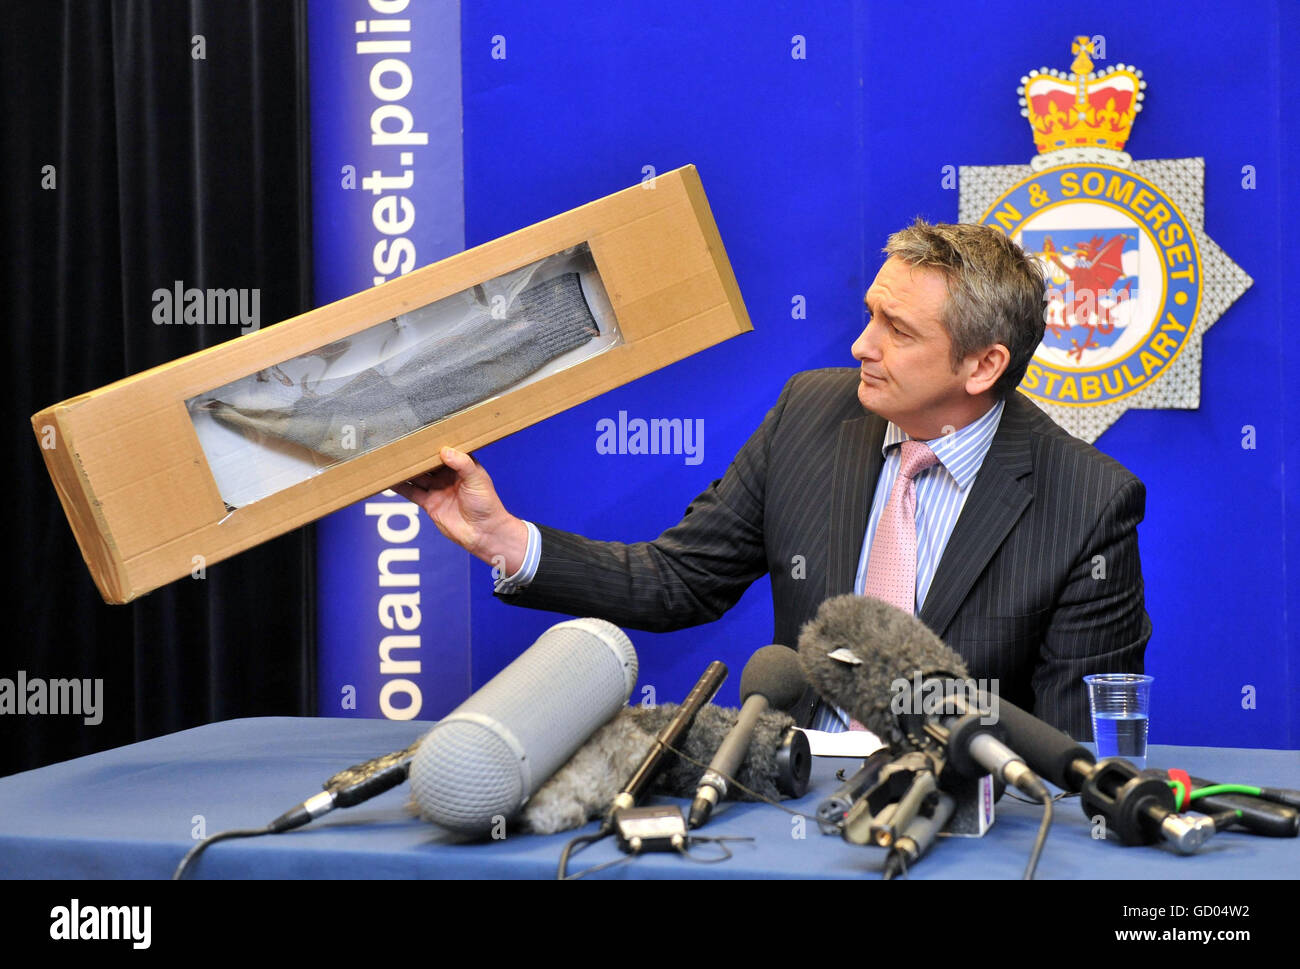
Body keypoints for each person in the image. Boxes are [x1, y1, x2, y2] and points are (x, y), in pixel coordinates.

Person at [393, 219, 1150, 740]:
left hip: (956, 816)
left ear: (983, 365)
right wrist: (501, 538)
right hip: (787, 793)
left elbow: (1070, 752)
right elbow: (678, 580)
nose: (862, 345)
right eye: (870, 315)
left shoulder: (1087, 504)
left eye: (900, 331)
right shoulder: (811, 414)